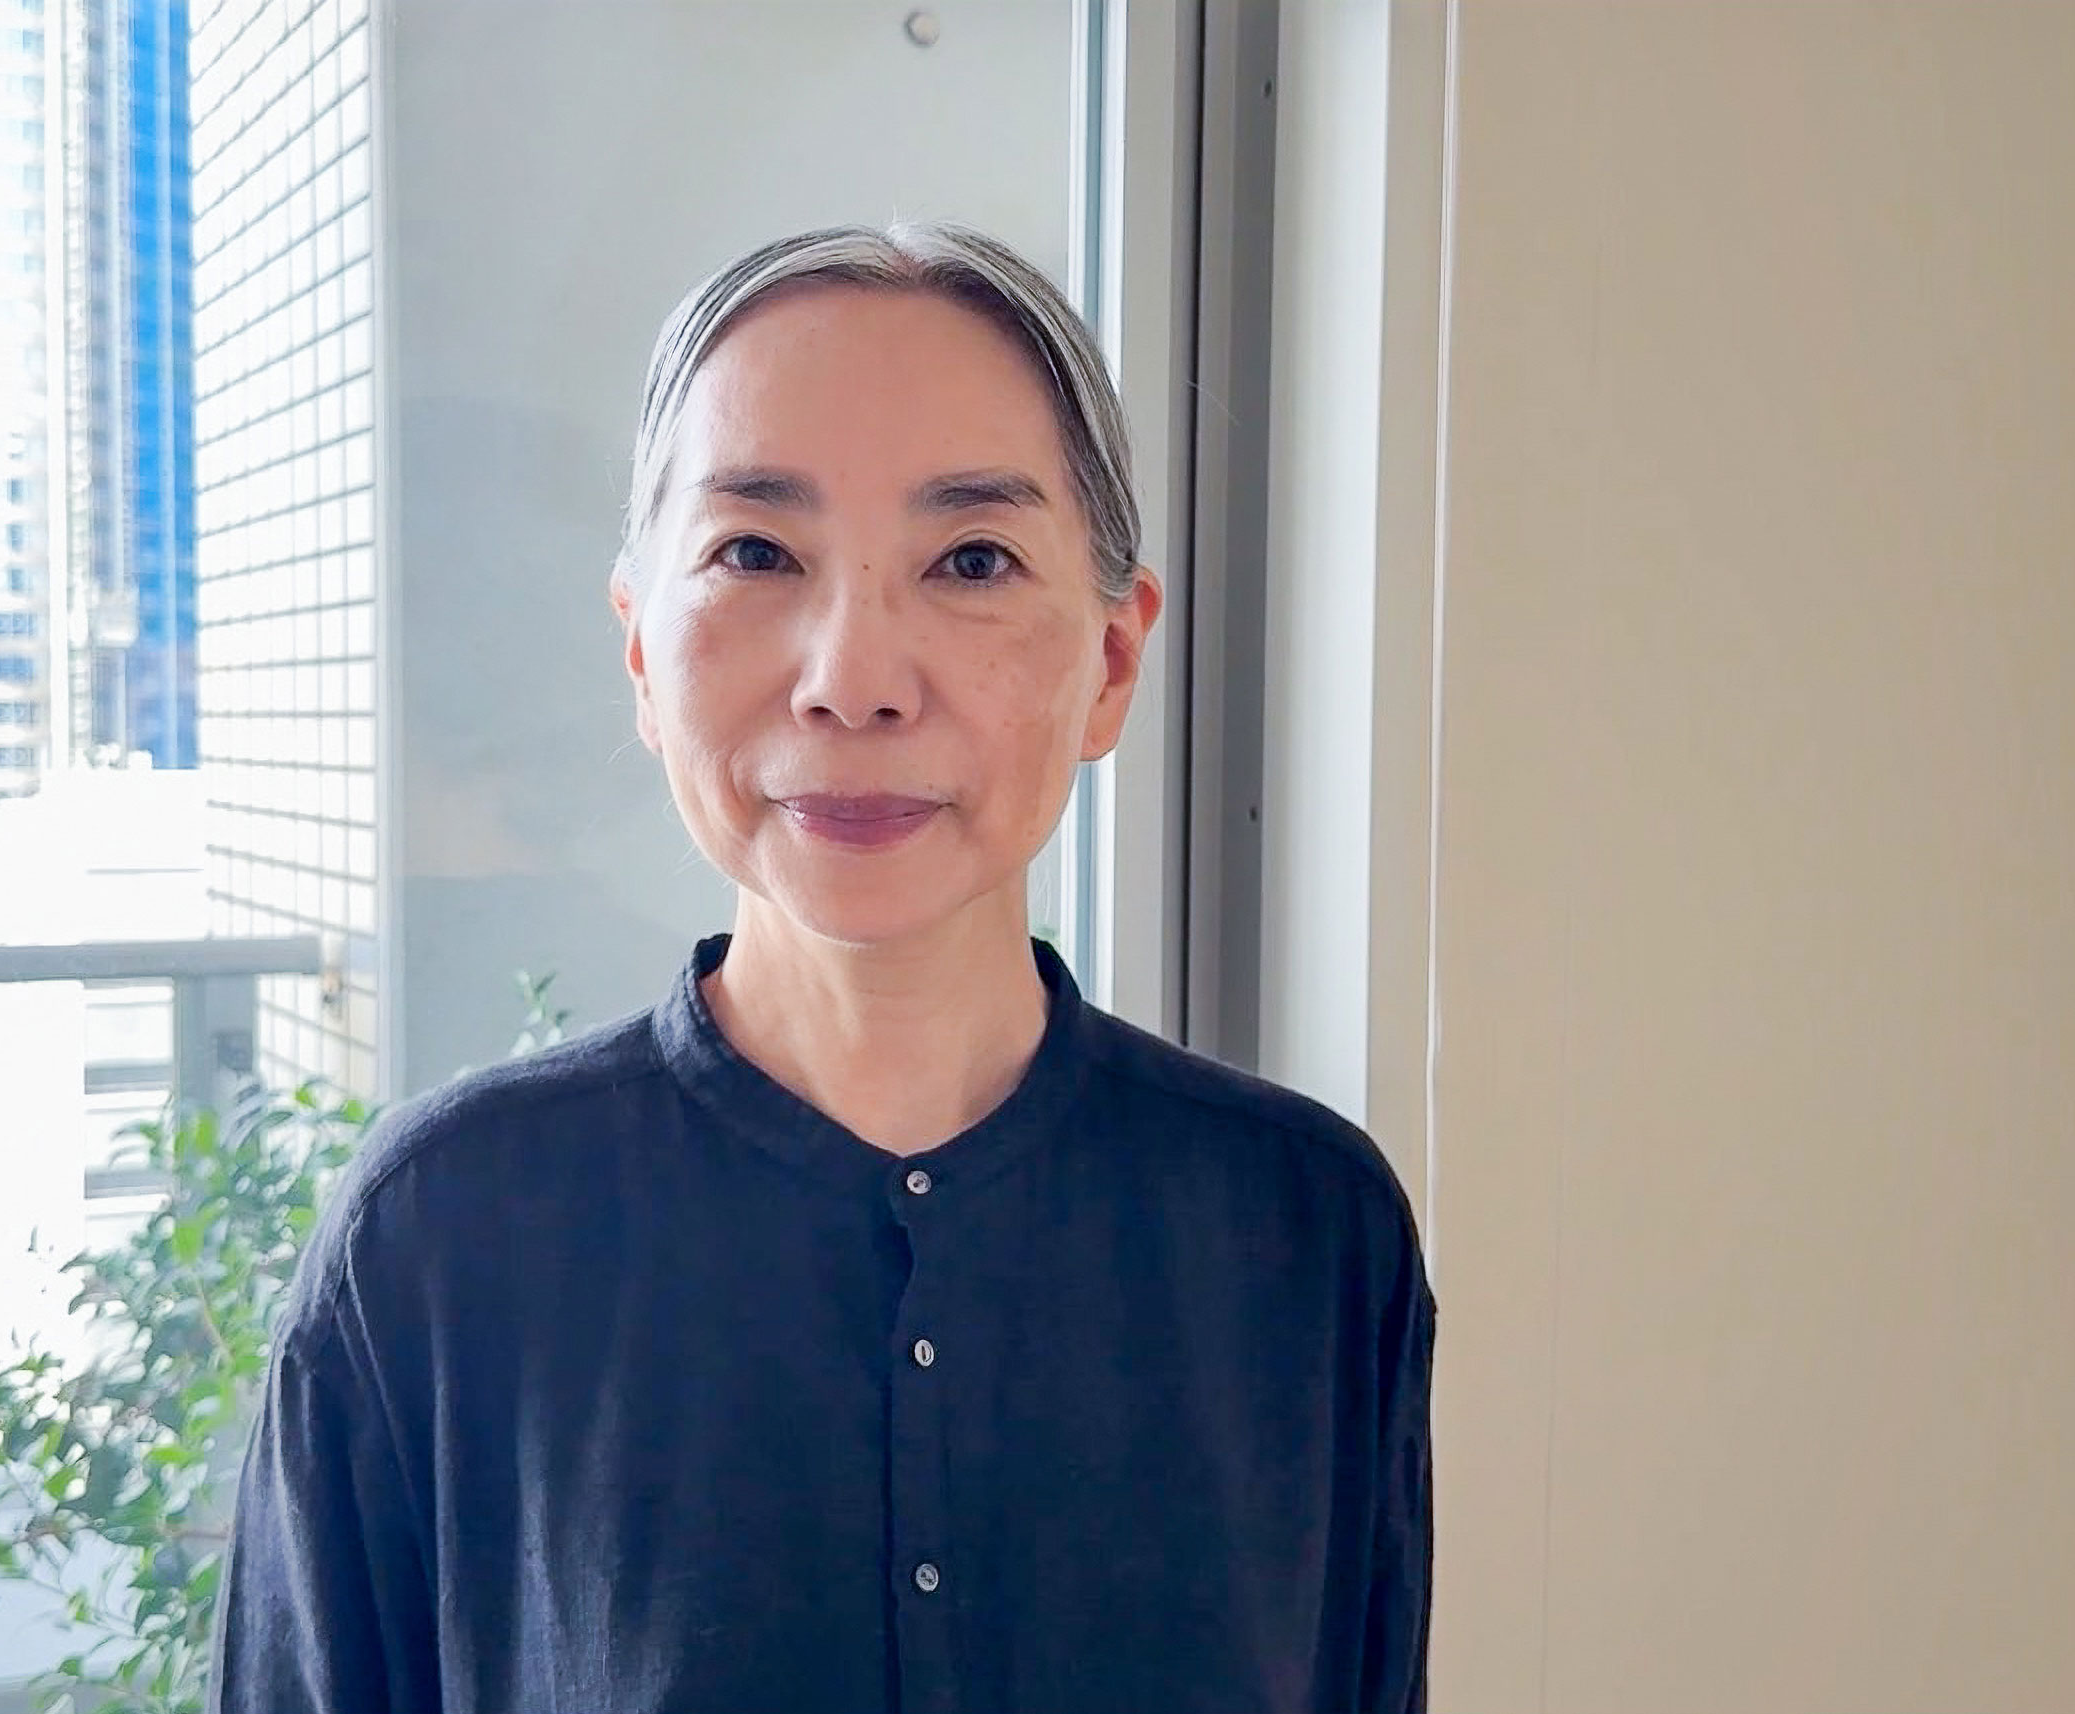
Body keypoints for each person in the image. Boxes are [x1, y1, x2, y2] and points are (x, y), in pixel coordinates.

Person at [211, 222, 1434, 1714]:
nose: (853, 681)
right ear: (643, 651)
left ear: (1112, 660)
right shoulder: (440, 1239)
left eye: (972, 560)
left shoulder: (1308, 1232)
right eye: (756, 553)